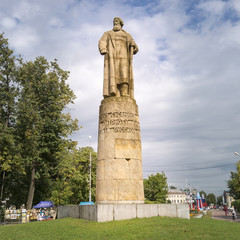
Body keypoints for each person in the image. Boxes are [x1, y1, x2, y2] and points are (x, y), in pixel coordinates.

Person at [98, 17, 138, 98]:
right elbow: (101, 41)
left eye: (116, 21)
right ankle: (114, 92)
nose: (114, 23)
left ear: (121, 23)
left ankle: (124, 91)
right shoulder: (107, 33)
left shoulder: (127, 35)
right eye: (113, 21)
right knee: (113, 75)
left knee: (124, 74)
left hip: (124, 57)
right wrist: (103, 49)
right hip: (112, 56)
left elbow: (135, 48)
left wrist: (134, 46)